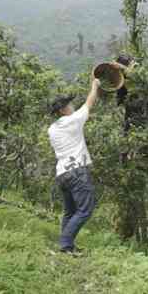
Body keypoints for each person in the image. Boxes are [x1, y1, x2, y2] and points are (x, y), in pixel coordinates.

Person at [47, 78, 101, 256]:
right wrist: (94, 86)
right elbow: (89, 103)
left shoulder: (52, 128)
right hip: (77, 171)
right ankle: (64, 244)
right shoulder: (73, 121)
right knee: (85, 210)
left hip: (62, 173)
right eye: (69, 105)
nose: (72, 106)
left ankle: (67, 245)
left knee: (70, 212)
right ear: (63, 110)